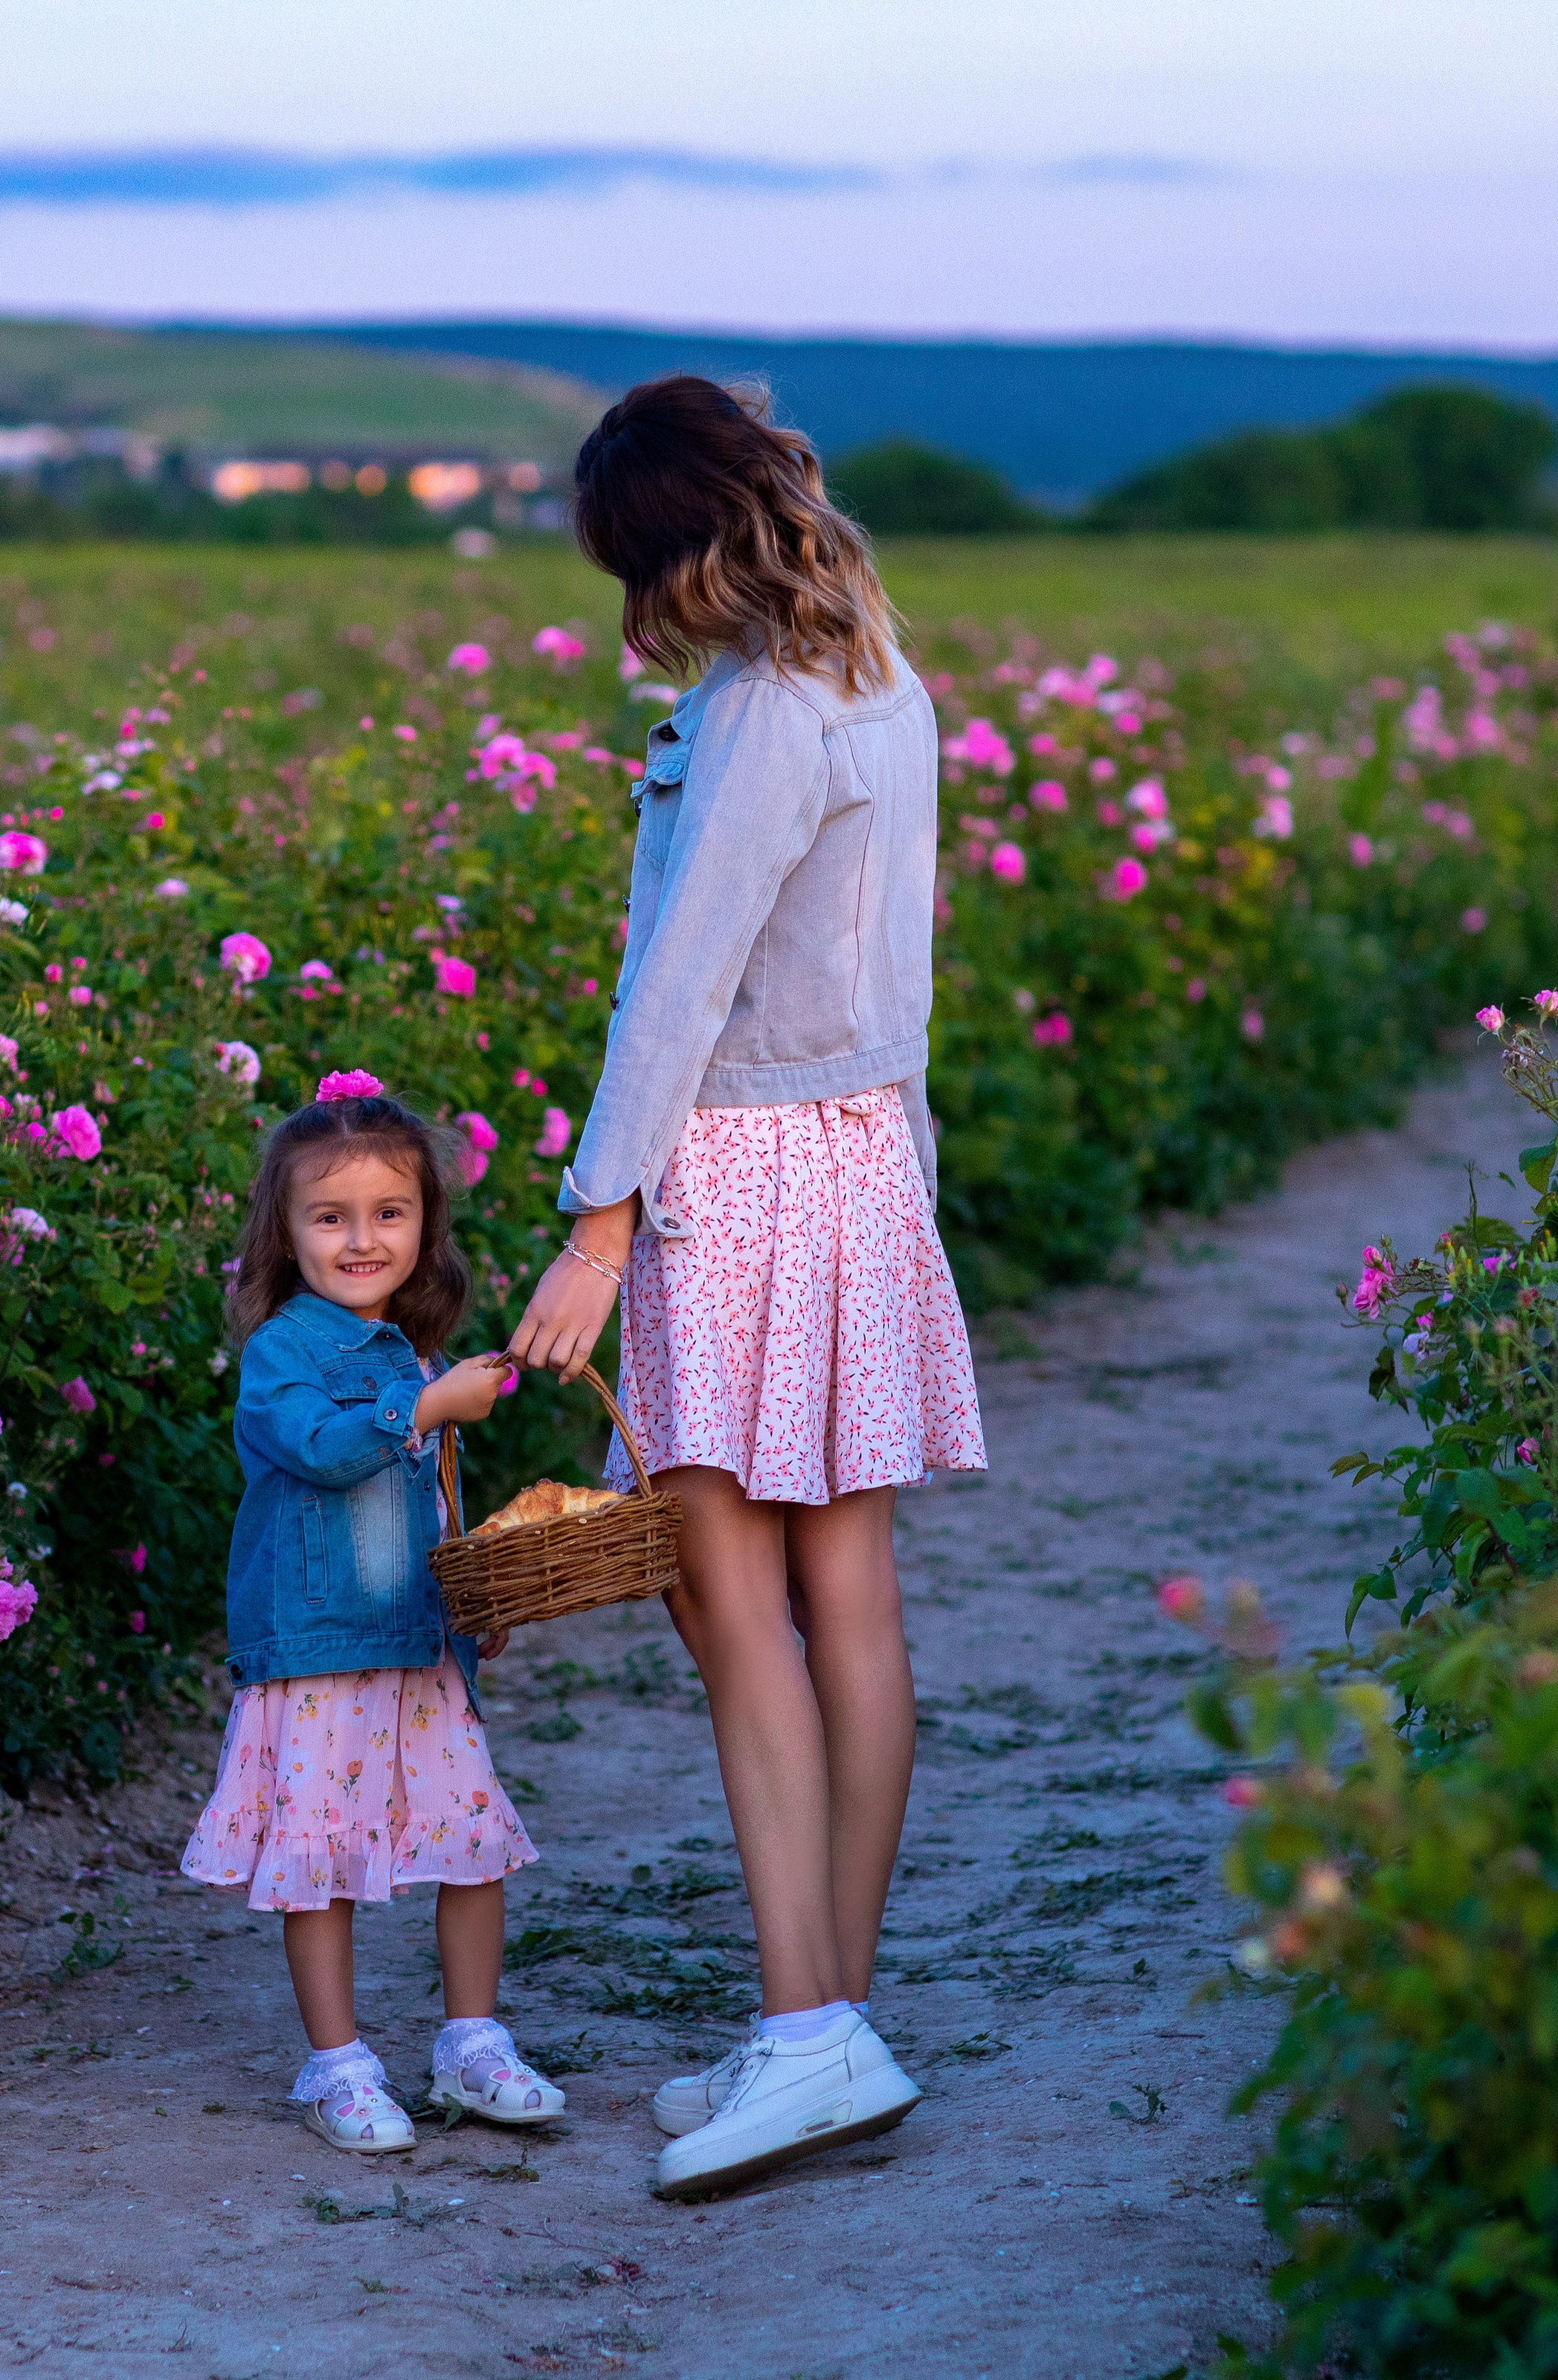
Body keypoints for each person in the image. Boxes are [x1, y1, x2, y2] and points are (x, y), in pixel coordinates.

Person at [508, 375, 986, 2198]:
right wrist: (910, 1191)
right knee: (841, 1594)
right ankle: (824, 2017)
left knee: (732, 1608)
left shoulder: (762, 706)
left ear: (670, 540)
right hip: (861, 1152)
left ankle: (807, 2028)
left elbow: (681, 981)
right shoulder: (876, 672)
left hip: (743, 1161)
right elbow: (900, 974)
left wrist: (597, 1219)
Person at [182, 1073, 565, 2151]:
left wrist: (468, 1592)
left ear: (424, 1226)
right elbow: (323, 1449)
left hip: (415, 1646)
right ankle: (337, 2063)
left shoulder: (415, 1352)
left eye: (389, 1213)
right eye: (331, 1216)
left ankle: (472, 2040)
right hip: (313, 1651)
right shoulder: (282, 1357)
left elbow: (425, 1499)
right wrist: (425, 1406)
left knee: (472, 1839)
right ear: (287, 1232)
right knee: (320, 1851)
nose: (362, 1238)